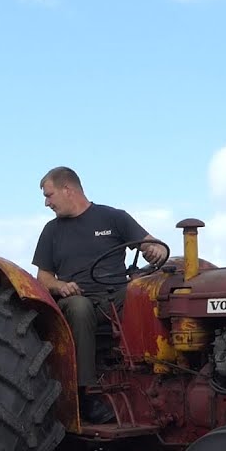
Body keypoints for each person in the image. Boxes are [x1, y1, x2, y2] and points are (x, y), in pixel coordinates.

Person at [31, 166, 168, 424]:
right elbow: (43, 278)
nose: (47, 202)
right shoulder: (52, 231)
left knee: (150, 296)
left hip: (116, 293)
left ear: (67, 189)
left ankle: (160, 375)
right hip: (77, 298)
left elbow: (151, 243)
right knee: (80, 308)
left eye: (49, 195)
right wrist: (61, 286)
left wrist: (153, 250)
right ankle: (87, 395)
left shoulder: (114, 217)